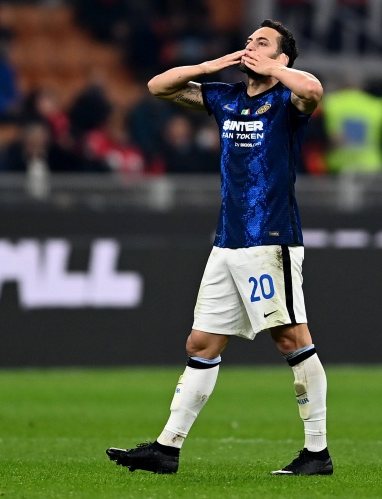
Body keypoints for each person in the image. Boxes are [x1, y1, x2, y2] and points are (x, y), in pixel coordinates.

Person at [107, 20, 331, 476]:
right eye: (248, 41)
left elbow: (313, 89)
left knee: (291, 338)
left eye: (262, 43)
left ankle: (317, 453)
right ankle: (167, 449)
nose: (250, 47)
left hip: (270, 240)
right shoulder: (225, 97)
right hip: (227, 241)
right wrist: (212, 65)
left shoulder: (287, 100)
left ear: (283, 58)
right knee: (202, 342)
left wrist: (272, 68)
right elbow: (158, 86)